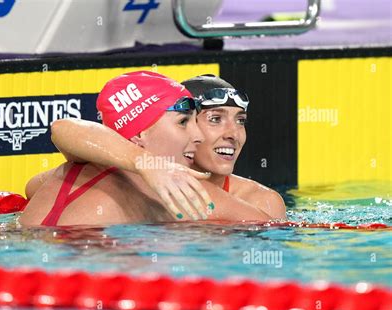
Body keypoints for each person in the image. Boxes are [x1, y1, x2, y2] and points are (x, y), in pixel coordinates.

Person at [19, 71, 270, 226]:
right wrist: (149, 165)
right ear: (139, 134)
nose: (197, 135)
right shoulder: (174, 188)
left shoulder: (71, 171)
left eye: (241, 121)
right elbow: (64, 128)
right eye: (184, 122)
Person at [181, 75, 286, 219]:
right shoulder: (148, 187)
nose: (234, 134)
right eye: (215, 119)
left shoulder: (261, 202)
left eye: (240, 120)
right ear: (183, 126)